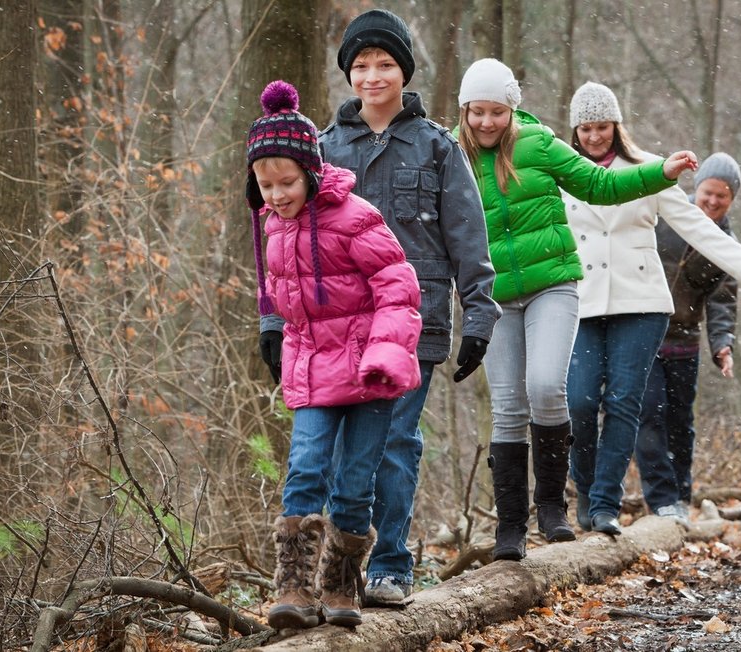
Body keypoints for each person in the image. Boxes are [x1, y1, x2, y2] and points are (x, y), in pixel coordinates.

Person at [455, 60, 699, 561]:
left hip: (554, 286)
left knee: (547, 386)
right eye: (477, 112)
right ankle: (511, 528)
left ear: (512, 109)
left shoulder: (540, 143)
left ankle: (552, 509)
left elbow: (600, 185)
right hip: (493, 295)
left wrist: (662, 172)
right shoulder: (450, 154)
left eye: (497, 112)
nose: (486, 122)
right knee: (507, 406)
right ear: (464, 110)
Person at [299, 9, 500, 607]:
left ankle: (390, 564)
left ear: (404, 71)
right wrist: (277, 324)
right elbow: (290, 242)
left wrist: (480, 318)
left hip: (416, 320)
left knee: (393, 442)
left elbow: (468, 237)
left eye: (385, 64)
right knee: (338, 453)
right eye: (361, 66)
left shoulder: (438, 147)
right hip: (340, 327)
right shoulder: (324, 149)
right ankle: (341, 573)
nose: (372, 76)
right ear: (347, 74)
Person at [562, 82, 741, 536]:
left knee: (624, 403)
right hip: (582, 300)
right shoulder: (563, 170)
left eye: (603, 127)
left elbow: (695, 223)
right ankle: (584, 486)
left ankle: (605, 504)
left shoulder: (646, 169)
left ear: (616, 126)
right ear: (575, 129)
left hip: (639, 302)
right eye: (586, 128)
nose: (595, 136)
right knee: (579, 403)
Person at [245, 80, 422, 628]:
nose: (276, 195)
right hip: (313, 370)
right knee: (304, 469)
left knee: (354, 482)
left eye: (287, 182)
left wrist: (387, 351)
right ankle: (294, 588)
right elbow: (284, 298)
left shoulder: (353, 216)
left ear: (312, 171)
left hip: (368, 372)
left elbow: (398, 283)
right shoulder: (273, 228)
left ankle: (342, 585)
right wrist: (273, 330)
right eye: (266, 185)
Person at [635, 152, 741, 522]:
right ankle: (660, 498)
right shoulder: (665, 216)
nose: (713, 202)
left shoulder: (725, 244)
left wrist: (723, 345)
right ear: (696, 187)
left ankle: (681, 497)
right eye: (708, 193)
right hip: (643, 332)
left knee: (680, 421)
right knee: (648, 414)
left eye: (722, 197)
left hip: (684, 341)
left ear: (731, 200)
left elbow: (722, 302)